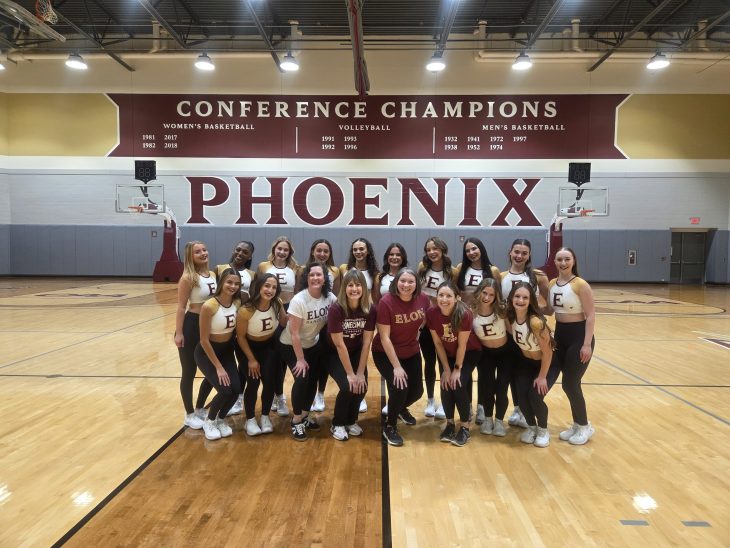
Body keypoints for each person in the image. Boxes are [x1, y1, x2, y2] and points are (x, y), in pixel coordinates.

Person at [372, 268, 430, 447]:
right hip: (385, 353)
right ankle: (389, 426)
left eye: (410, 282)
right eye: (403, 281)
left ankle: (399, 408)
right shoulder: (386, 302)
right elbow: (384, 337)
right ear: (396, 282)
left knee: (417, 391)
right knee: (399, 387)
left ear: (416, 284)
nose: (406, 285)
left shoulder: (423, 299)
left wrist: (417, 333)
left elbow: (425, 319)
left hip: (411, 351)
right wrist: (396, 367)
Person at [279, 262, 337, 441]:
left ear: (325, 278)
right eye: (311, 275)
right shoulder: (299, 300)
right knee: (302, 378)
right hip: (290, 345)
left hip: (312, 344)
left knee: (312, 380)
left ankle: (305, 414)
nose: (315, 278)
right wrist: (300, 359)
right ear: (307, 278)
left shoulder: (330, 298)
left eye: (319, 275)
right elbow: (294, 333)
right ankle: (296, 420)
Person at [546, 247, 596, 445]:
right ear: (555, 262)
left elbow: (591, 315)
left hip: (579, 336)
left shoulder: (580, 284)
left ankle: (584, 426)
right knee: (569, 384)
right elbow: (550, 310)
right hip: (560, 336)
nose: (563, 263)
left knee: (570, 383)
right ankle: (577, 425)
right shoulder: (552, 283)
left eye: (567, 259)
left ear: (573, 261)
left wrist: (586, 344)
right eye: (559, 259)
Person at [500, 238, 549, 429]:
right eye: (516, 252)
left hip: (530, 333)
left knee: (527, 373)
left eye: (524, 253)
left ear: (529, 255)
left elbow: (550, 307)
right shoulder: (502, 276)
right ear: (510, 252)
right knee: (513, 373)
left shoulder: (538, 276)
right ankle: (518, 409)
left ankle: (527, 410)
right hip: (509, 332)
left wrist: (536, 316)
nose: (519, 256)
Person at [505, 282, 560, 448]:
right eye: (517, 296)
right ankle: (531, 427)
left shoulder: (536, 322)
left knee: (535, 396)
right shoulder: (510, 317)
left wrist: (542, 377)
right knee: (521, 397)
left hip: (547, 363)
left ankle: (543, 430)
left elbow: (548, 352)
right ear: (512, 298)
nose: (520, 300)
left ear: (530, 301)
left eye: (525, 297)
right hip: (526, 362)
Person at [427, 282, 482, 446]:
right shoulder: (431, 313)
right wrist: (445, 369)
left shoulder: (464, 314)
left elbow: (462, 345)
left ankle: (465, 427)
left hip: (469, 353)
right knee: (445, 383)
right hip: (447, 352)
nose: (444, 299)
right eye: (441, 295)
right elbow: (437, 343)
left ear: (457, 298)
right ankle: (450, 424)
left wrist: (456, 369)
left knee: (456, 383)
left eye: (448, 296)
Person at [454, 236, 501, 425]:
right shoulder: (460, 269)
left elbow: (499, 296)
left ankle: (483, 406)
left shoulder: (493, 270)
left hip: (486, 321)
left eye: (474, 248)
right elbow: (456, 292)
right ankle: (468, 406)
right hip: (466, 321)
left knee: (485, 370)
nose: (471, 253)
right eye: (468, 250)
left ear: (481, 248)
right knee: (466, 366)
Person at [327, 269, 376, 441]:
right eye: (350, 285)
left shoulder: (370, 309)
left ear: (363, 288)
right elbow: (339, 344)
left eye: (357, 285)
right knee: (348, 386)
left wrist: (361, 372)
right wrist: (350, 373)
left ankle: (350, 420)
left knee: (361, 386)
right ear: (344, 288)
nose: (354, 289)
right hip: (334, 353)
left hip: (356, 351)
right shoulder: (336, 309)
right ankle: (337, 423)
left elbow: (366, 342)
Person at [235, 273, 287, 436]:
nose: (270, 290)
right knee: (253, 382)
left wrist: (288, 311)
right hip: (247, 348)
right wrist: (251, 359)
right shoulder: (246, 310)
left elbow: (284, 323)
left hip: (268, 346)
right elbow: (241, 337)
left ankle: (265, 416)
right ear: (259, 287)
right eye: (267, 286)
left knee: (270, 382)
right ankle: (250, 419)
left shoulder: (276, 303)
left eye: (273, 287)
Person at [194, 268, 242, 441]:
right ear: (221, 282)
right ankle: (210, 420)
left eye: (237, 283)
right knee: (224, 390)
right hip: (207, 352)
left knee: (236, 389)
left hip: (226, 350)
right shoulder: (209, 306)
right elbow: (204, 340)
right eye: (229, 282)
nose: (233, 286)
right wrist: (219, 367)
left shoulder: (237, 303)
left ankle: (221, 419)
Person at [174, 241, 217, 430]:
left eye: (204, 250)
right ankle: (189, 414)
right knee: (189, 371)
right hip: (192, 324)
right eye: (197, 252)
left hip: (211, 326)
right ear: (190, 256)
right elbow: (181, 306)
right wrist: (179, 332)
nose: (202, 253)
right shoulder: (188, 277)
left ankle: (200, 407)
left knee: (213, 369)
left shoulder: (213, 274)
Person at [257, 236, 297, 417]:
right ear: (274, 249)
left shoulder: (295, 268)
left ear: (289, 253)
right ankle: (274, 394)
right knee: (271, 357)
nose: (282, 252)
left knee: (284, 356)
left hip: (288, 311)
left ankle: (280, 396)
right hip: (269, 310)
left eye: (285, 250)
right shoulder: (263, 266)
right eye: (279, 248)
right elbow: (257, 289)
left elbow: (297, 292)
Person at [300, 239, 341, 413]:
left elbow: (337, 296)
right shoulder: (304, 269)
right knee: (310, 361)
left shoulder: (335, 270)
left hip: (326, 320)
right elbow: (299, 291)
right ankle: (305, 396)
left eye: (326, 251)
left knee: (323, 360)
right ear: (312, 251)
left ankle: (320, 394)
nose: (322, 254)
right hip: (309, 319)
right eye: (319, 250)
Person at [417, 236, 456, 419]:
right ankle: (430, 399)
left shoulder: (452, 272)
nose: (432, 252)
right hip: (426, 322)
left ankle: (443, 401)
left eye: (435, 249)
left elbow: (457, 297)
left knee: (444, 362)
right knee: (429, 361)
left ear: (442, 250)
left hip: (444, 323)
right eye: (428, 249)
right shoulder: (422, 269)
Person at [339, 237, 379, 413]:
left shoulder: (374, 273)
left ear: (367, 250)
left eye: (362, 249)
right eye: (355, 249)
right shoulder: (344, 269)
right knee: (345, 350)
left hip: (365, 316)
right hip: (348, 315)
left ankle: (359, 397)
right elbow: (340, 292)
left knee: (363, 350)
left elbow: (376, 298)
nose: (358, 252)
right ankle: (347, 385)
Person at [216, 240, 255, 417]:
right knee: (219, 365)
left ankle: (237, 397)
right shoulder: (219, 268)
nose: (240, 253)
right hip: (220, 324)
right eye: (238, 249)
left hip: (240, 324)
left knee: (240, 363)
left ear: (250, 256)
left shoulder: (251, 274)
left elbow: (251, 299)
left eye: (245, 252)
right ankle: (215, 402)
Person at [472, 278, 512, 437]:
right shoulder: (471, 311)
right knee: (487, 388)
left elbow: (511, 332)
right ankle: (488, 419)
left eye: (491, 295)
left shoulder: (502, 311)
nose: (487, 297)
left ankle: (500, 421)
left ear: (497, 296)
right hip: (485, 354)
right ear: (479, 292)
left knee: (502, 388)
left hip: (505, 353)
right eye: (485, 293)